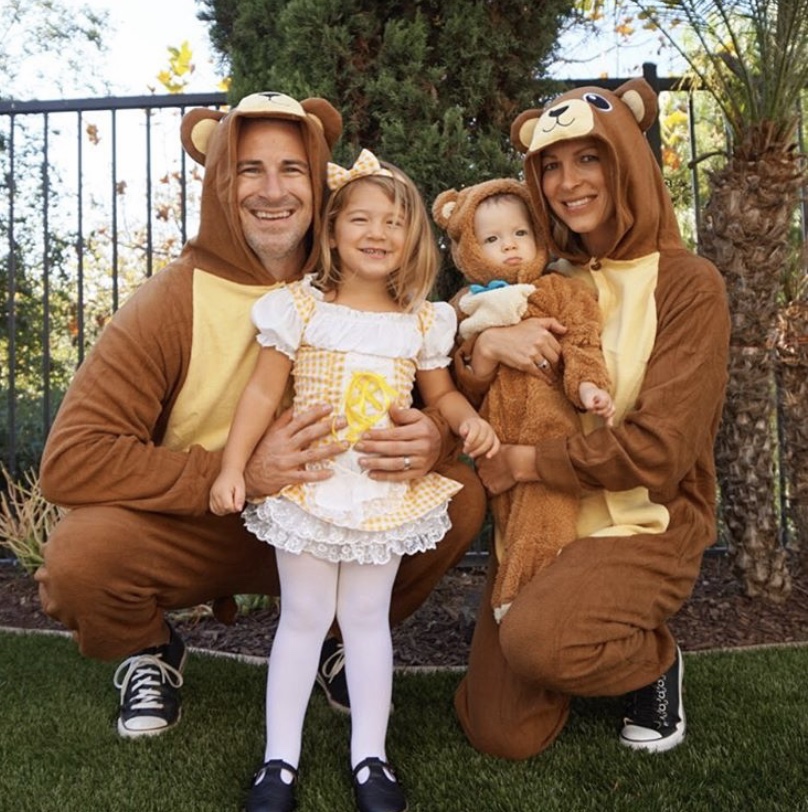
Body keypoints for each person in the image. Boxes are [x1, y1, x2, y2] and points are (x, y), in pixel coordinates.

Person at [34, 92, 486, 747]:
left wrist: (435, 433)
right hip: (206, 522)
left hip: (335, 512)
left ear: (320, 188)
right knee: (81, 557)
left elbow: (426, 380)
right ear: (220, 178)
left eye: (292, 169)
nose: (272, 190)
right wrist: (239, 469)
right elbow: (73, 460)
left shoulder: (357, 274)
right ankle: (154, 651)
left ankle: (340, 642)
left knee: (460, 497)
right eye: (249, 169)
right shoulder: (168, 302)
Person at [210, 148, 499, 812]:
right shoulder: (300, 310)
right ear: (334, 230)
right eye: (361, 219)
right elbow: (259, 396)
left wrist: (468, 424)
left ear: (412, 238)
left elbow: (442, 396)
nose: (378, 233)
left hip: (380, 490)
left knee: (367, 620)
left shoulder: (422, 320)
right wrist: (233, 468)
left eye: (394, 222)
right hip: (308, 485)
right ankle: (278, 761)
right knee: (304, 617)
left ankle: (371, 755)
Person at [452, 78, 730, 759]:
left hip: (642, 520)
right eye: (549, 165)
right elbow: (461, 377)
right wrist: (485, 348)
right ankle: (572, 626)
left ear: (627, 157)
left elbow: (661, 450)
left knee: (539, 642)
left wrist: (526, 463)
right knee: (499, 733)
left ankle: (650, 661)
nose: (566, 182)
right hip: (542, 520)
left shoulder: (689, 285)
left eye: (589, 158)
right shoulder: (549, 273)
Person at [432, 178, 614, 621]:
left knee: (544, 518)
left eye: (519, 234)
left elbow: (581, 344)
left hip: (545, 436)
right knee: (512, 526)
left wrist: (588, 387)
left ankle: (525, 605)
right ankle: (526, 602)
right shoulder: (462, 307)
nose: (510, 247)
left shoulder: (556, 291)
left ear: (538, 234)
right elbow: (455, 372)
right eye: (492, 239)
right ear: (470, 248)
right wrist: (486, 346)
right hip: (494, 442)